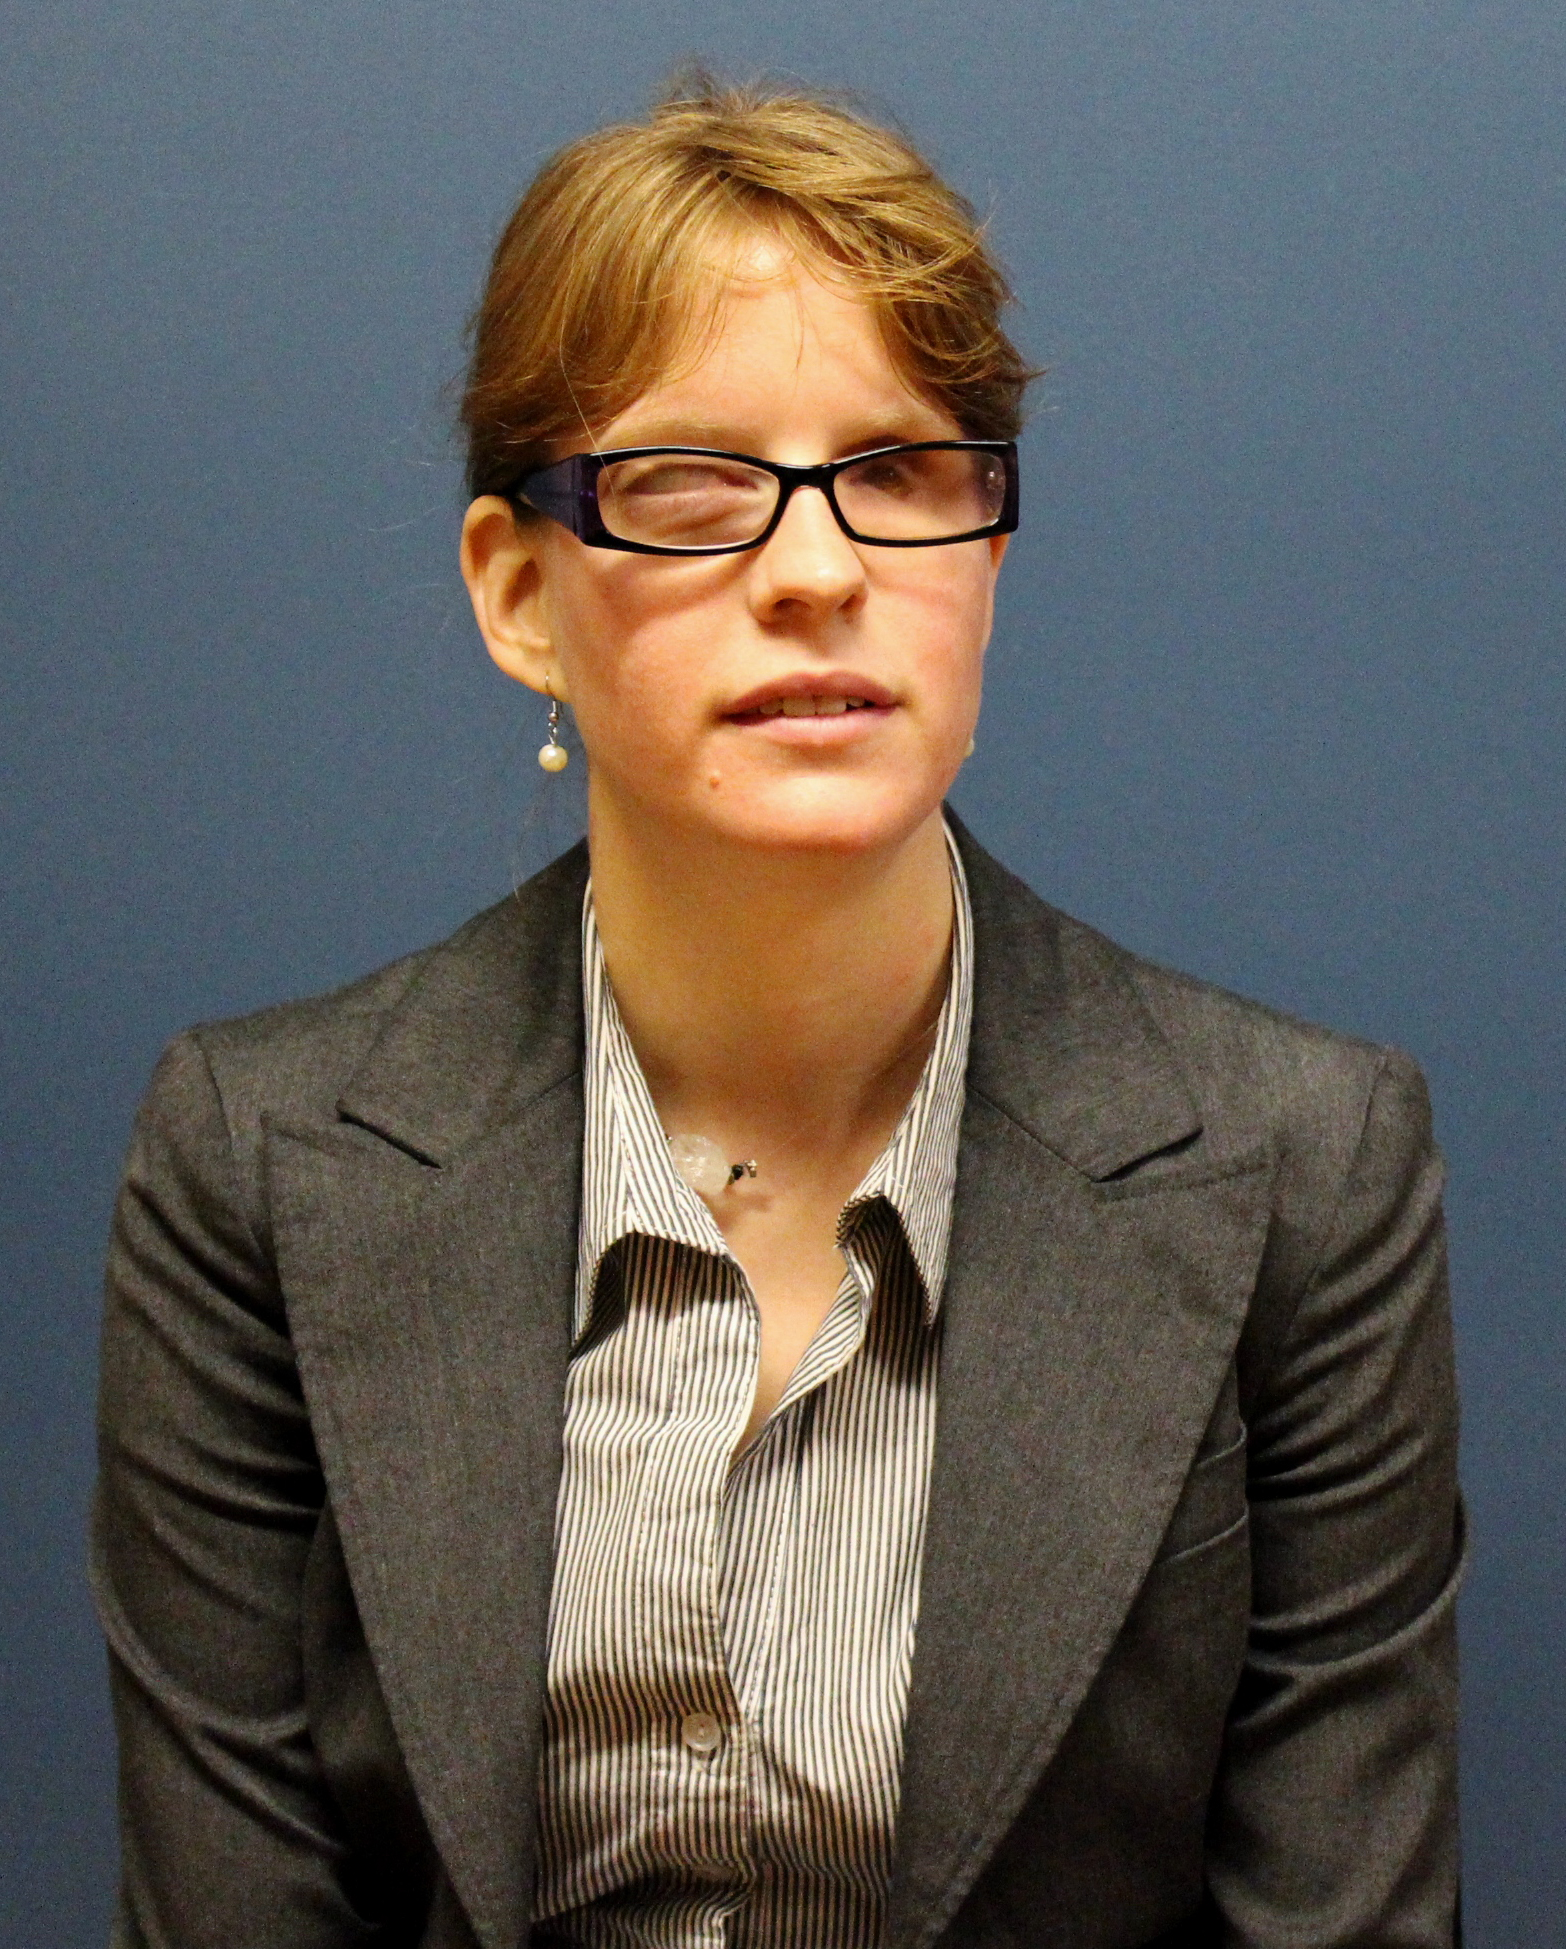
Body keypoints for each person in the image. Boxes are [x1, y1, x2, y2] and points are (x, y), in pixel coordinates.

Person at [92, 76, 1463, 1949]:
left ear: (987, 551)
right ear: (516, 590)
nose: (818, 570)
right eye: (688, 483)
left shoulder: (1304, 1158)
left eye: (900, 471)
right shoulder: (260, 1157)